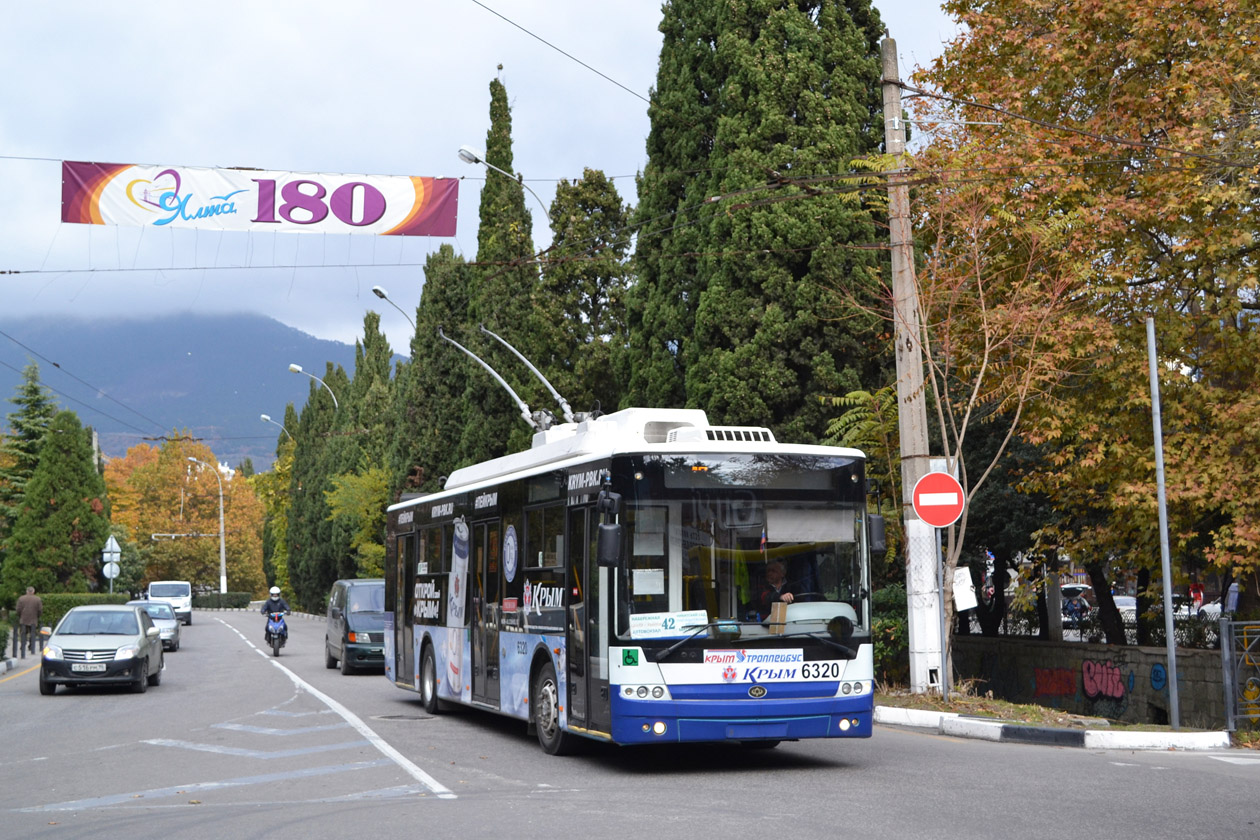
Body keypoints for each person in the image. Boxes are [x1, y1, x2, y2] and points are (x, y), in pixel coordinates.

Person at [15, 586, 42, 657]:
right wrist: (38, 616)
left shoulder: (21, 598)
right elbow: (40, 610)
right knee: (32, 633)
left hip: (23, 618)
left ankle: (23, 645)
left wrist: (20, 615)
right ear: (33, 592)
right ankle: (31, 646)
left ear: (27, 591)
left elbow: (18, 609)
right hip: (33, 619)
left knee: (23, 633)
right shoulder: (37, 599)